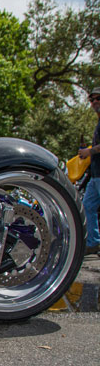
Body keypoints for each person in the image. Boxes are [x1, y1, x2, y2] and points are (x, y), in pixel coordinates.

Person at [79, 87, 100, 255]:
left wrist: (89, 151)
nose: (94, 102)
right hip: (95, 174)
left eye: (98, 98)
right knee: (87, 206)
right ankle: (94, 242)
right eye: (92, 100)